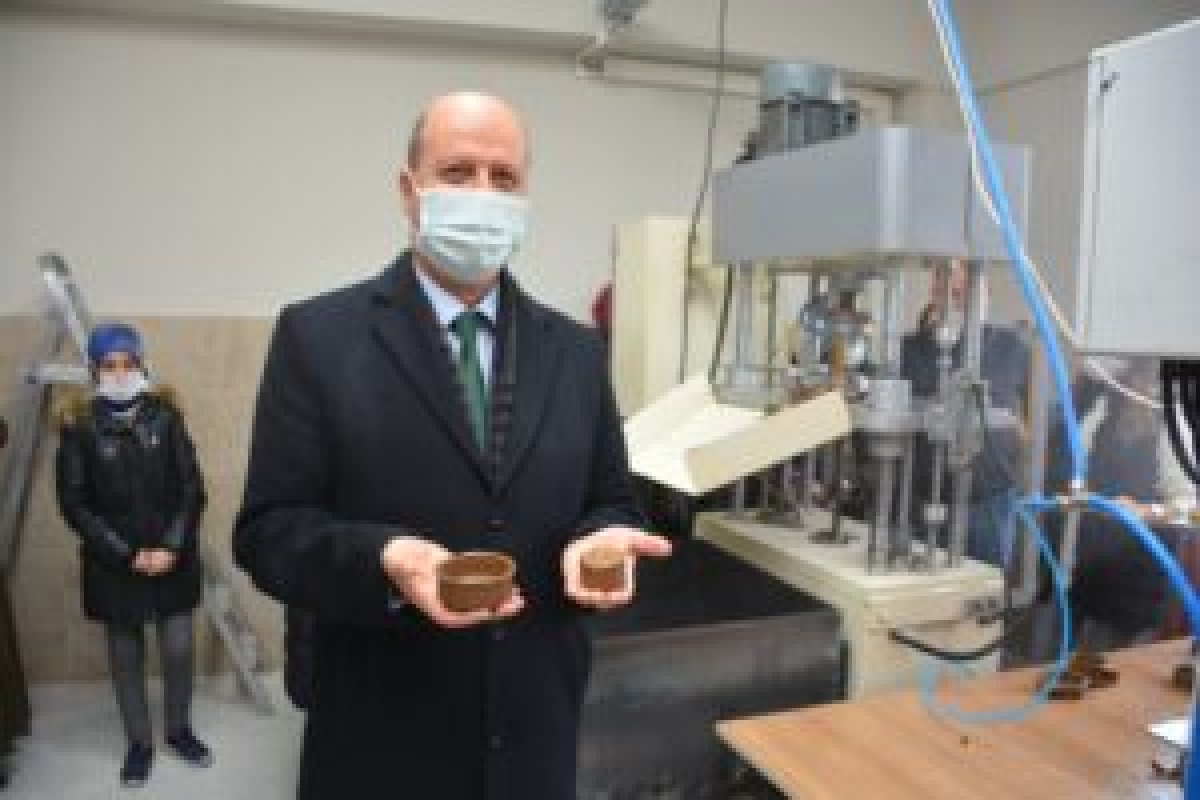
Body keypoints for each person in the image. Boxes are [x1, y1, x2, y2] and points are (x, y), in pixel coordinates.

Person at [233, 91, 672, 799]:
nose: (482, 194)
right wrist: (386, 559)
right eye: (458, 172)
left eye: (504, 178)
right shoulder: (318, 339)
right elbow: (268, 533)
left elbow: (610, 498)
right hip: (381, 735)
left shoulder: (576, 353)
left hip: (536, 732)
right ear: (409, 190)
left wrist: (604, 539)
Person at [54, 323, 212, 788]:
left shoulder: (167, 417)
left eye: (129, 364)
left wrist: (172, 546)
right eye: (110, 366)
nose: (120, 374)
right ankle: (139, 744)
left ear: (142, 364)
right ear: (95, 371)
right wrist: (127, 555)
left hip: (171, 559)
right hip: (114, 566)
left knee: (178, 650)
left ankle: (179, 731)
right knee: (126, 658)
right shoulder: (79, 426)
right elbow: (74, 504)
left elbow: (191, 488)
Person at [900, 260, 1030, 566]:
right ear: (933, 293)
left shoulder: (1011, 347)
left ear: (985, 296)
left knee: (986, 587)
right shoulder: (908, 350)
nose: (956, 304)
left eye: (963, 294)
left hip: (990, 504)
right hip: (925, 501)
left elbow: (1030, 422)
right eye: (947, 293)